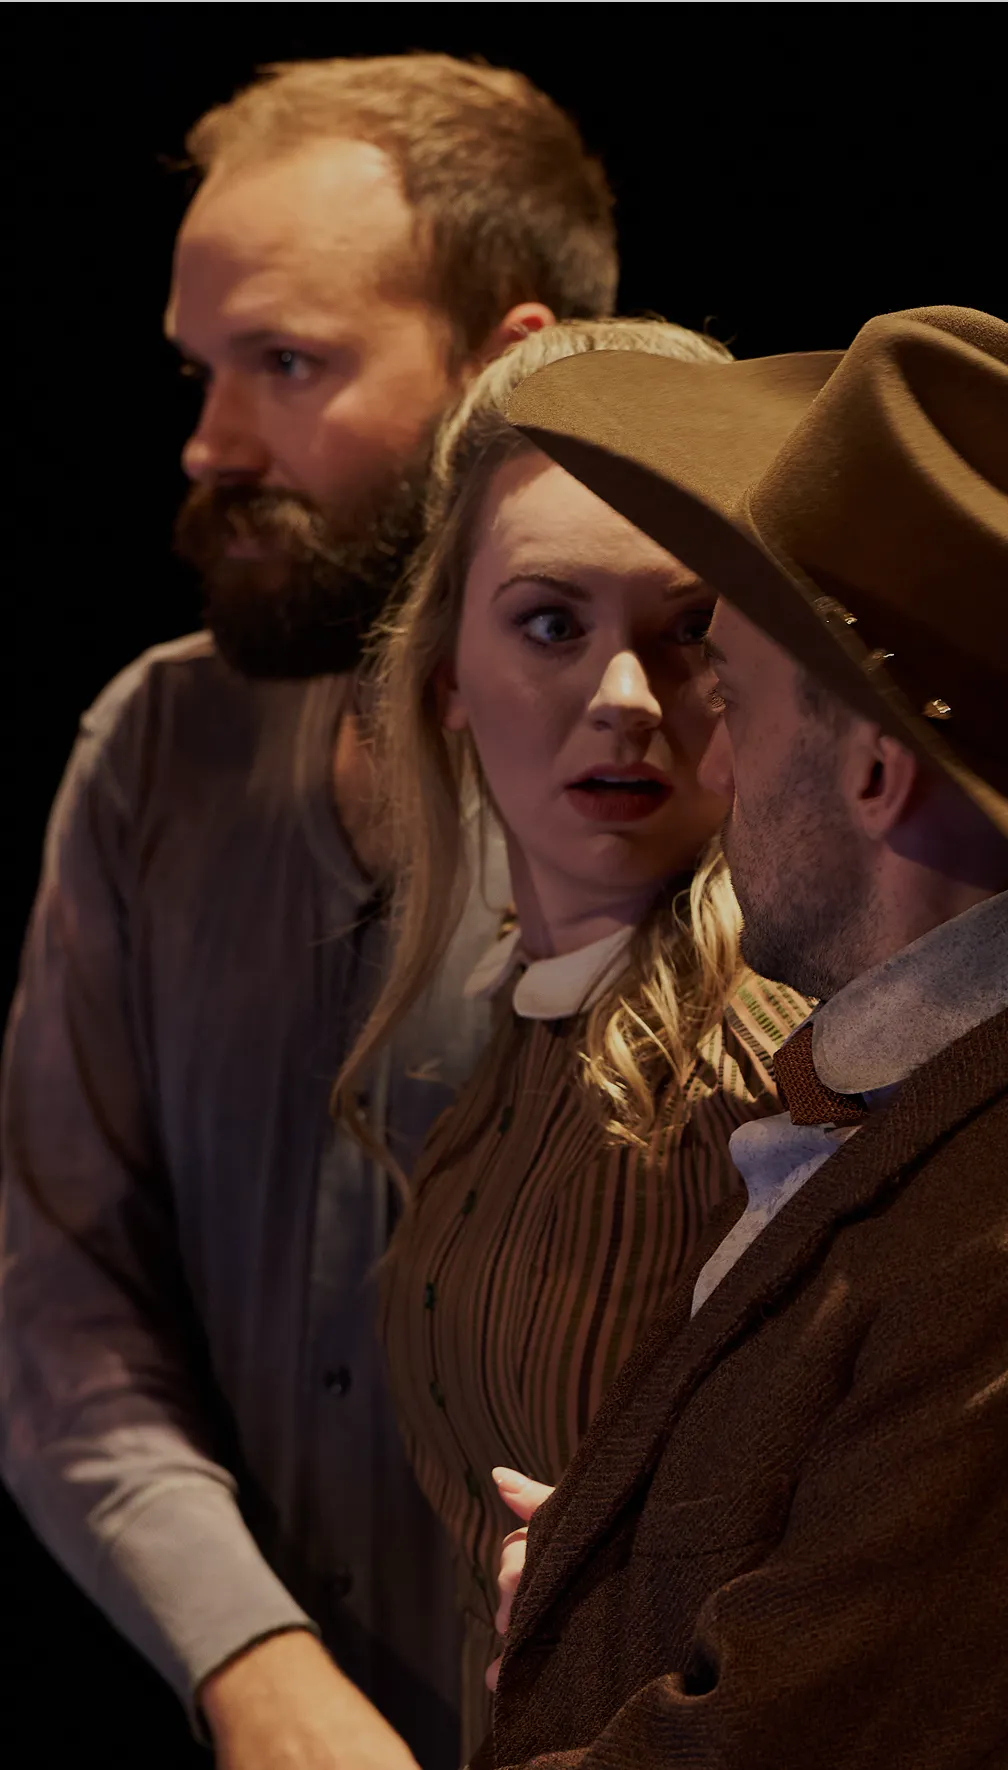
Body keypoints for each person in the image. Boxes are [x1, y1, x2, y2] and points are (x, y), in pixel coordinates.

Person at [0, 53, 619, 1770]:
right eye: (206, 369)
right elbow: (58, 1305)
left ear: (509, 370)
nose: (208, 442)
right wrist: (256, 1669)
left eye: (289, 365)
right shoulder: (156, 750)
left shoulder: (714, 786)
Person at [473, 304, 1008, 1769]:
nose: (703, 751)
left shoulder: (989, 1232)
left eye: (737, 692)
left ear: (880, 769)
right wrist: (604, 1584)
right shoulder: (899, 1102)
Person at [334, 316, 815, 1755]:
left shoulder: (775, 1063)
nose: (625, 699)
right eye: (553, 622)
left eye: (687, 633)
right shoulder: (529, 1028)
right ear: (446, 684)